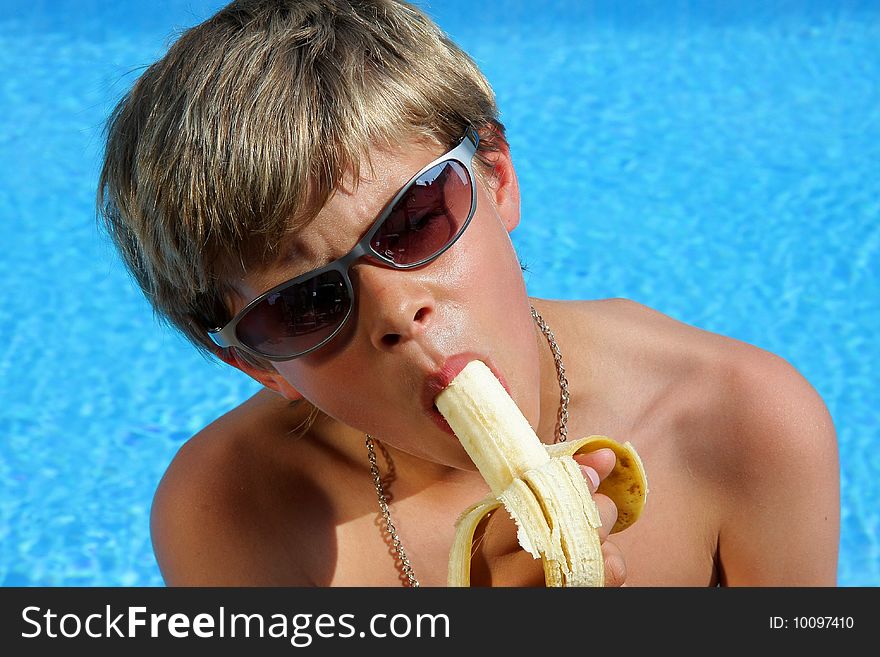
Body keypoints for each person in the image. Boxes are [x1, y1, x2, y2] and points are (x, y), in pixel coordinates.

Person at [98, 0, 839, 587]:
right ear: (257, 365)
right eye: (304, 304)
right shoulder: (234, 513)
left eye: (416, 219)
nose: (396, 311)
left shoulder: (742, 425)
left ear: (496, 175)